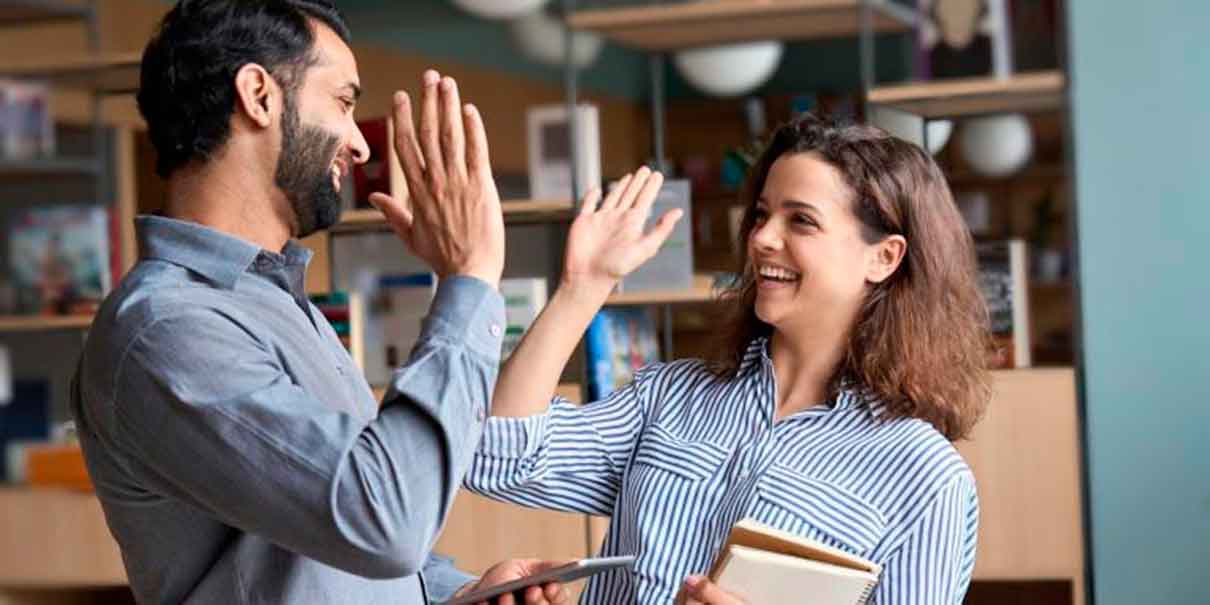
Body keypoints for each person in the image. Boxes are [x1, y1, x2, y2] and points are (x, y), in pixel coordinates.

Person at [71, 1, 576, 603]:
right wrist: (470, 277)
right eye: (342, 102)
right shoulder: (166, 330)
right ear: (259, 95)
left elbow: (328, 546)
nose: (360, 146)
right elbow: (384, 521)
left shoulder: (279, 304)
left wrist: (459, 593)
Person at [464, 115, 993, 604]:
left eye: (801, 221)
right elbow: (496, 456)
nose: (761, 238)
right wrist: (582, 288)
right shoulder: (668, 396)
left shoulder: (926, 479)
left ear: (884, 257)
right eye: (762, 215)